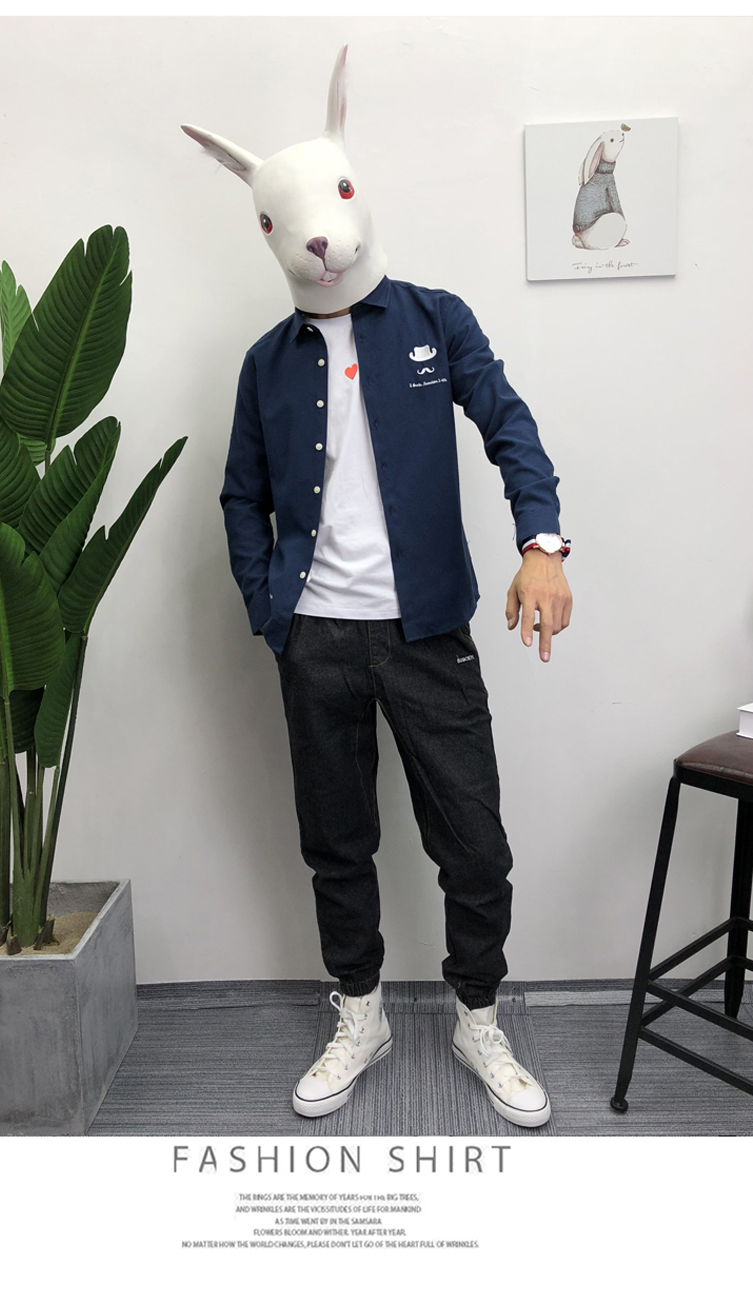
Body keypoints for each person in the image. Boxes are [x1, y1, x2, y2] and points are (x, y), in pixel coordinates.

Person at [183, 44, 572, 1130]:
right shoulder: (266, 363)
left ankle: (477, 1014)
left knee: (475, 842)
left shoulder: (436, 320)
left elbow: (509, 425)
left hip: (426, 632)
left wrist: (543, 542)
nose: (315, 235)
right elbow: (240, 497)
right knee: (336, 842)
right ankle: (361, 1012)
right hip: (316, 640)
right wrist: (272, 611)